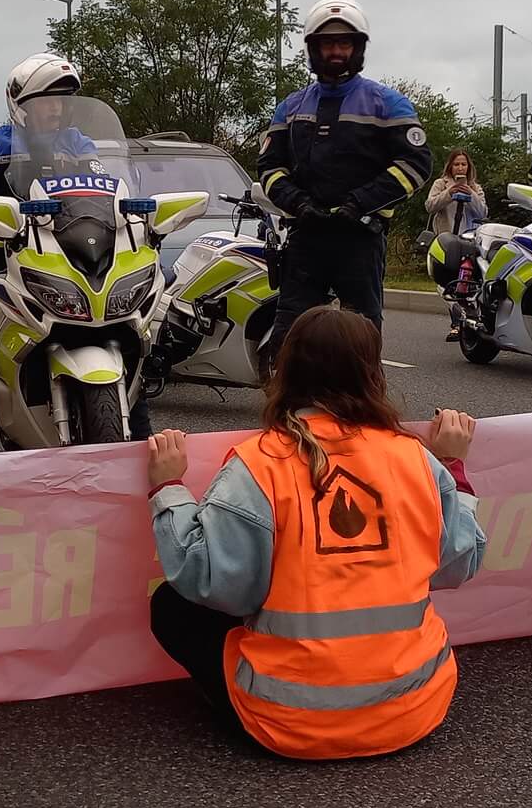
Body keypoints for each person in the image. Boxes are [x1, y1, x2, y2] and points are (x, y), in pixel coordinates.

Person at [144, 306, 487, 759]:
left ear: (285, 370)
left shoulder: (260, 464)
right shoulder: (416, 459)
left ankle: (258, 702)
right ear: (372, 375)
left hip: (288, 722)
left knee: (171, 605)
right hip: (416, 706)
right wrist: (452, 468)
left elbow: (209, 580)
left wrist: (168, 488)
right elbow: (459, 561)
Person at [0, 53, 149, 455]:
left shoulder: (79, 143)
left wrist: (130, 215)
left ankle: (145, 452)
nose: (55, 108)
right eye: (45, 100)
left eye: (61, 100)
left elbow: (107, 187)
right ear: (21, 106)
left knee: (130, 335)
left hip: (72, 255)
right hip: (11, 252)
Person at [258, 0, 432, 352]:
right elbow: (270, 168)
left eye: (344, 43)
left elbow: (415, 165)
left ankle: (363, 407)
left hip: (360, 236)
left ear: (358, 48)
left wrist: (359, 203)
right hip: (306, 235)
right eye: (327, 43)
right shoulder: (290, 107)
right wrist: (298, 202)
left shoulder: (388, 104)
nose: (336, 51)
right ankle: (286, 406)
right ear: (313, 48)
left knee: (361, 337)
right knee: (289, 338)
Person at [425, 149, 487, 236]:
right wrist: (448, 193)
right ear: (450, 166)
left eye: (463, 164)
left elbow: (482, 214)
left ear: (468, 167)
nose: (460, 168)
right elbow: (429, 206)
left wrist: (471, 195)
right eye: (456, 164)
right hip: (445, 238)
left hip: (469, 239)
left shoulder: (476, 188)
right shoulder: (441, 184)